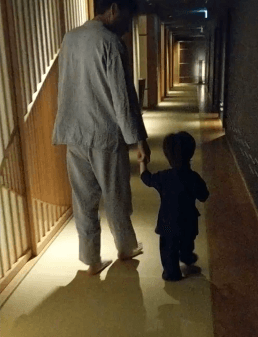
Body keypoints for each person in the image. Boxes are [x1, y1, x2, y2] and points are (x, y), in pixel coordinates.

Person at [52, 0, 151, 275]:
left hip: (74, 132)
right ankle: (125, 247)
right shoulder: (111, 43)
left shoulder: (69, 39)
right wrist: (137, 140)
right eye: (128, 16)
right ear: (114, 9)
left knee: (83, 200)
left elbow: (66, 86)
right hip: (105, 134)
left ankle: (91, 260)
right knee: (116, 195)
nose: (128, 24)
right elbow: (122, 98)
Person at [140, 131, 209, 281]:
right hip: (188, 220)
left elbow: (146, 178)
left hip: (167, 221)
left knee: (168, 249)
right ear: (190, 153)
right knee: (187, 241)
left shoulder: (163, 177)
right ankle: (186, 255)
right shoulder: (193, 177)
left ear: (167, 155)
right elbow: (204, 196)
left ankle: (171, 273)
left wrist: (142, 162)